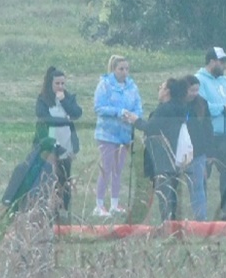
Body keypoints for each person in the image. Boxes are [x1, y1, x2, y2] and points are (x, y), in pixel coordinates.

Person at [124, 78, 190, 223]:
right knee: (173, 192)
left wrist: (135, 120)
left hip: (162, 156)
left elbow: (151, 128)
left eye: (161, 87)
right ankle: (173, 221)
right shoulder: (179, 107)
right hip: (174, 155)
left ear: (167, 91)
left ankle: (167, 223)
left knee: (164, 192)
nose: (159, 89)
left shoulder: (164, 109)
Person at [93, 54, 143, 217]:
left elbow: (138, 106)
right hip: (107, 133)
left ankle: (115, 203)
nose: (124, 72)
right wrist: (117, 112)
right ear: (113, 69)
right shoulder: (105, 85)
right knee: (106, 168)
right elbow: (99, 108)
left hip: (124, 134)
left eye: (127, 69)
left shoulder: (132, 87)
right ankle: (99, 204)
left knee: (118, 169)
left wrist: (134, 116)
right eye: (121, 69)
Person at [195, 47, 226, 220]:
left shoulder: (225, 81)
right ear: (212, 62)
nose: (224, 65)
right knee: (203, 174)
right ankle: (201, 210)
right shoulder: (199, 80)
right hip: (208, 137)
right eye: (221, 62)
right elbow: (201, 107)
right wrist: (222, 108)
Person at [33, 66, 82, 218]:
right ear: (51, 84)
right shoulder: (43, 100)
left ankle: (64, 208)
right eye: (57, 84)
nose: (60, 87)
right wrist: (63, 120)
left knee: (65, 177)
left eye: (63, 84)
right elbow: (44, 118)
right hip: (50, 143)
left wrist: (65, 101)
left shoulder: (68, 98)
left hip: (66, 141)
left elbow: (77, 113)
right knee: (50, 177)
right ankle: (48, 208)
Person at [182, 75, 214, 220]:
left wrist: (209, 152)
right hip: (179, 151)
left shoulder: (202, 104)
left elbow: (208, 128)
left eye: (197, 90)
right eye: (191, 90)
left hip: (198, 151)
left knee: (198, 186)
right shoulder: (176, 104)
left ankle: (201, 219)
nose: (194, 94)